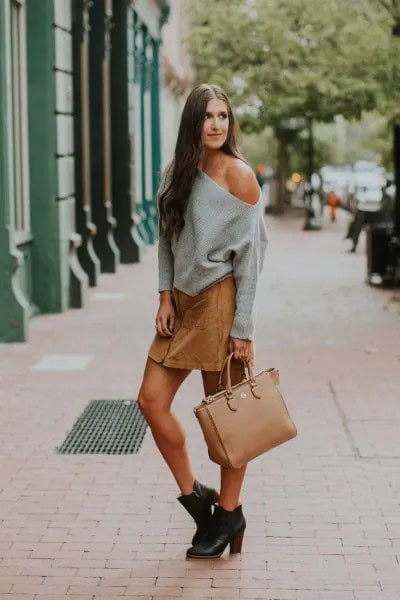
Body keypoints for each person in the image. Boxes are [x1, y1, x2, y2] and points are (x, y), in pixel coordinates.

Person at [137, 83, 268, 560]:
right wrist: (164, 294)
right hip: (183, 304)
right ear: (193, 122)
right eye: (207, 116)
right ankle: (196, 497)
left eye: (223, 116)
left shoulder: (239, 175)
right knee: (151, 401)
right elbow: (167, 241)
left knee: (227, 417)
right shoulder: (177, 172)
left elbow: (253, 258)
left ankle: (230, 512)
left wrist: (243, 328)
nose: (216, 124)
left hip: (220, 302)